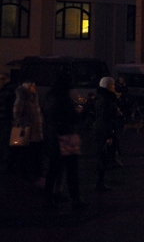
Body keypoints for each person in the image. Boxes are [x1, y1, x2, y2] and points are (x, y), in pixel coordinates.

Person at [43, 72, 86, 209]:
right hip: (65, 136)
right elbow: (73, 117)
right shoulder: (64, 99)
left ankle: (49, 197)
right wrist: (82, 111)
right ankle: (75, 198)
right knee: (71, 169)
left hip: (52, 135)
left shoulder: (49, 97)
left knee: (54, 168)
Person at [93, 76, 119, 191]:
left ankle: (100, 181)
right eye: (112, 85)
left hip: (100, 129)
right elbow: (105, 118)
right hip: (104, 131)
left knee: (103, 155)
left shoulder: (101, 98)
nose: (114, 87)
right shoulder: (106, 100)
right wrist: (108, 135)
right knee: (103, 156)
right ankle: (100, 182)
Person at [0, 71, 17, 171]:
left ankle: (6, 161)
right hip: (7, 119)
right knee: (7, 141)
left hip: (5, 119)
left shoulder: (4, 92)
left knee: (5, 140)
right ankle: (7, 163)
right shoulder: (11, 92)